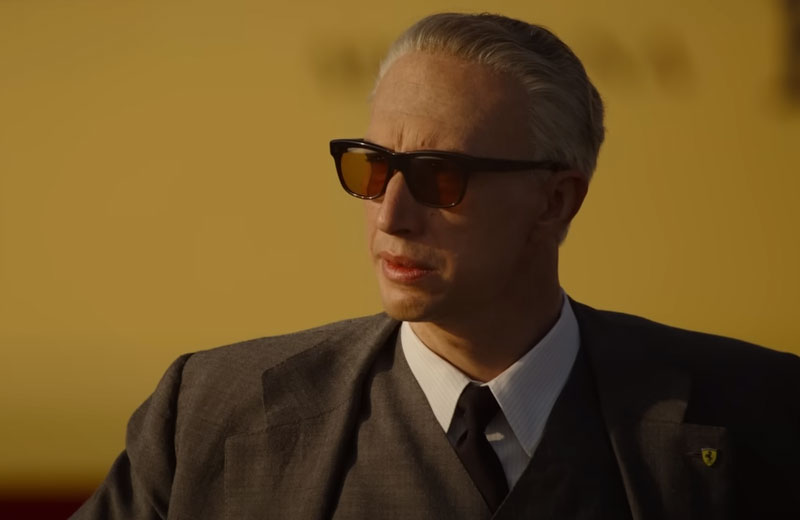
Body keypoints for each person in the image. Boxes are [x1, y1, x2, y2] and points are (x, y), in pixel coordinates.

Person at [72, 12, 800, 519]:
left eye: (438, 176)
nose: (390, 216)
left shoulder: (761, 413)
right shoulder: (210, 416)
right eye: (369, 169)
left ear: (556, 201)